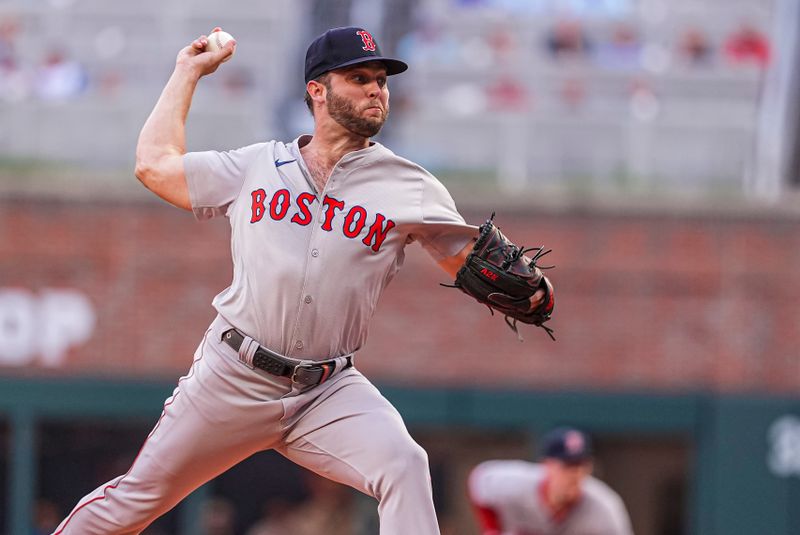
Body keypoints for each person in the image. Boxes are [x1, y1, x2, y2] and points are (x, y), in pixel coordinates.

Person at [52, 25, 551, 535]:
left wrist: (530, 291)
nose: (376, 89)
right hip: (233, 376)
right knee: (133, 503)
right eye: (359, 78)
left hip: (328, 389)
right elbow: (154, 166)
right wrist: (187, 72)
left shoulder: (410, 185)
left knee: (405, 465)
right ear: (317, 90)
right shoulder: (256, 166)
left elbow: (467, 260)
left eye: (381, 79)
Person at [468, 427, 633, 535]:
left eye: (581, 465)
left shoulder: (604, 507)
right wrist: (492, 529)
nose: (575, 474)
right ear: (547, 465)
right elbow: (480, 480)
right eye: (567, 466)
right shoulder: (518, 484)